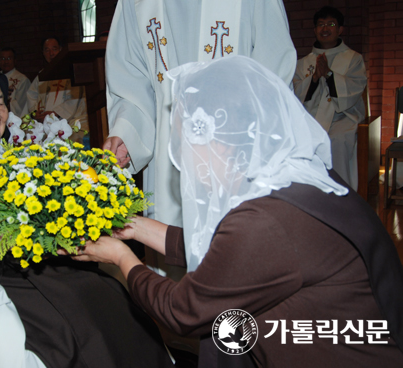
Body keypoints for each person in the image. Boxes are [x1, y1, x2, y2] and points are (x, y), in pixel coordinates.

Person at [70, 56, 403, 367]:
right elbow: (232, 256)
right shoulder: (291, 176)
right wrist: (135, 227)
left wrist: (121, 256)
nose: (183, 162)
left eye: (183, 143)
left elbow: (184, 310)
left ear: (221, 141)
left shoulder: (266, 221)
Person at [0, 58, 174, 367]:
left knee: (107, 295)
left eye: (0, 103)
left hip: (26, 261)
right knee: (72, 325)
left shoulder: (2, 154)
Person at [103, 0, 297, 276]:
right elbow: (132, 86)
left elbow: (274, 71)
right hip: (167, 155)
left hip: (235, 149)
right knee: (175, 285)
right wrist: (127, 133)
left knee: (243, 261)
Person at [293, 6, 367, 190]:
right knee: (300, 139)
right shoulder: (303, 63)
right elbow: (295, 93)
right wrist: (315, 78)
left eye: (331, 24)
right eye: (320, 25)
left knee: (338, 140)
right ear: (315, 30)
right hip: (311, 119)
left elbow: (355, 87)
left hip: (342, 118)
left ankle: (341, 194)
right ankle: (310, 195)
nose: (325, 29)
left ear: (340, 29)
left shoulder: (353, 59)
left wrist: (330, 76)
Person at [24, 37, 88, 134]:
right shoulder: (42, 75)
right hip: (44, 122)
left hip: (65, 121)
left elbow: (75, 98)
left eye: (54, 49)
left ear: (61, 50)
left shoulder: (70, 73)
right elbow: (31, 95)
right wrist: (35, 113)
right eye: (47, 50)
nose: (51, 53)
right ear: (43, 53)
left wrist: (57, 113)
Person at [0, 47, 31, 118]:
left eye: (9, 58)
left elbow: (23, 105)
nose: (6, 62)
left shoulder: (22, 79)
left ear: (15, 60)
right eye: (3, 59)